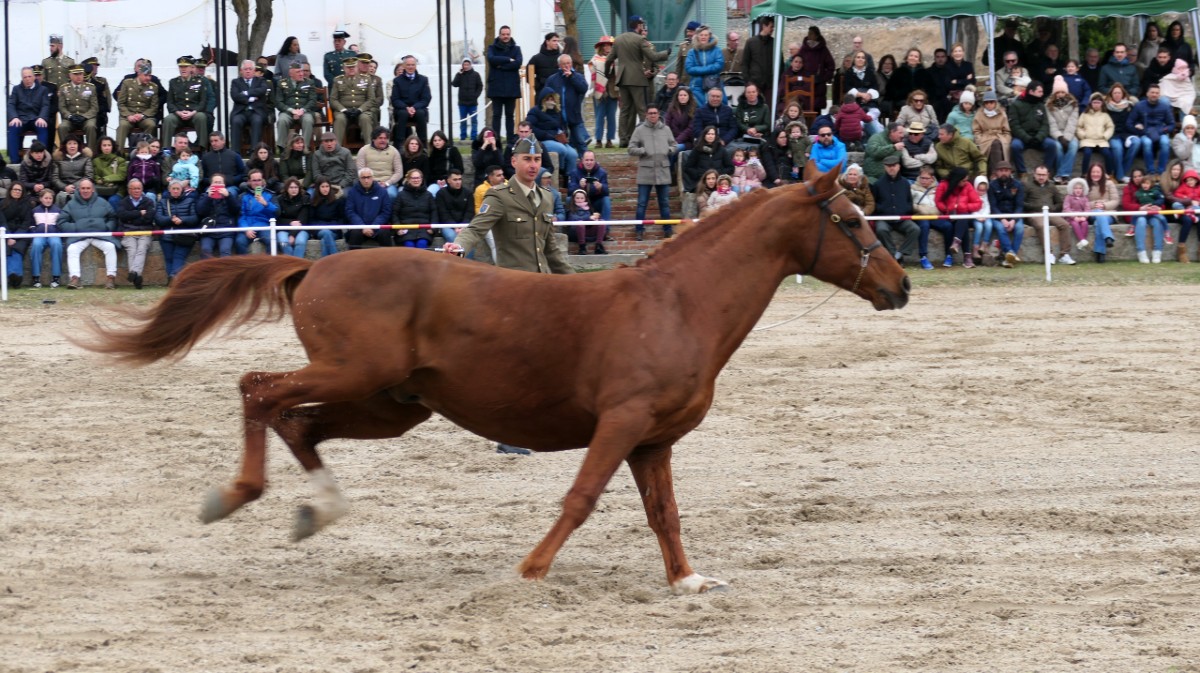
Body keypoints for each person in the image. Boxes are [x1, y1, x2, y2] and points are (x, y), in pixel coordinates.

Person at [613, 15, 670, 147]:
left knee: (625, 111)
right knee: (642, 109)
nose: (643, 30)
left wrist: (606, 73)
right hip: (638, 79)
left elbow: (611, 59)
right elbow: (653, 56)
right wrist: (666, 53)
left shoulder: (619, 39)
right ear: (638, 26)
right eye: (642, 27)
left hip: (624, 79)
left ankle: (624, 140)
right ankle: (646, 139)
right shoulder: (640, 40)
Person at [629, 105, 676, 241]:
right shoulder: (639, 130)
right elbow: (631, 148)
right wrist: (642, 151)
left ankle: (667, 230)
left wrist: (670, 150)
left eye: (655, 113)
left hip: (663, 170)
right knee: (642, 203)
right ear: (646, 115)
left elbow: (674, 145)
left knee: (665, 203)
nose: (653, 115)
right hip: (646, 170)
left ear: (658, 114)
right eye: (650, 113)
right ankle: (639, 230)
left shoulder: (666, 129)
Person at [58, 179, 116, 288]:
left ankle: (110, 278)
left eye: (88, 188)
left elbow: (113, 217)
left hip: (99, 235)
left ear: (93, 190)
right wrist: (76, 228)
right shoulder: (71, 204)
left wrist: (106, 227)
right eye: (83, 188)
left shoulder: (103, 202)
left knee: (110, 247)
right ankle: (75, 279)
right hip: (80, 236)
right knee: (72, 249)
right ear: (79, 190)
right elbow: (61, 222)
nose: (85, 190)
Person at [871, 154, 918, 265]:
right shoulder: (878, 184)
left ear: (899, 166)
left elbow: (909, 201)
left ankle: (900, 254)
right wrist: (882, 210)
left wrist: (905, 210)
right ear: (884, 167)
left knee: (915, 229)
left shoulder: (905, 183)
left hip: (902, 218)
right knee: (881, 230)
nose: (891, 168)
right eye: (888, 166)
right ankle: (894, 255)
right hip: (884, 218)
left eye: (894, 165)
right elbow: (874, 203)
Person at [1024, 164, 1075, 264]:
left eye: (1043, 175)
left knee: (1064, 225)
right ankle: (1049, 254)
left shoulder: (1052, 187)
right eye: (1039, 174)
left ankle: (1064, 254)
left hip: (1050, 213)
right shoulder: (1027, 186)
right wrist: (1035, 206)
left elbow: (1060, 203)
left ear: (1048, 175)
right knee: (1041, 226)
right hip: (1034, 213)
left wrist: (1052, 208)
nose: (1041, 177)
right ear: (1034, 175)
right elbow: (1021, 202)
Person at [543, 54, 590, 156]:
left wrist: (572, 77)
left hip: (574, 115)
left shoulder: (577, 76)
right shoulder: (553, 79)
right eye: (563, 64)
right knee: (564, 142)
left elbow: (583, 88)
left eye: (568, 63)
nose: (566, 66)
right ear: (559, 65)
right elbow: (546, 94)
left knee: (581, 142)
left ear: (571, 63)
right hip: (559, 117)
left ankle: (587, 164)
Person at [932, 166, 979, 268]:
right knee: (964, 225)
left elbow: (978, 203)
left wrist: (962, 207)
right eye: (963, 180)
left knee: (964, 218)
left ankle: (956, 243)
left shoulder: (968, 186)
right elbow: (938, 201)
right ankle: (967, 257)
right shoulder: (943, 185)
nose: (965, 182)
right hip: (949, 215)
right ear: (957, 179)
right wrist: (947, 210)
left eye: (966, 180)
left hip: (964, 215)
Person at [1009, 81, 1057, 178]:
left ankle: (1046, 172)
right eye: (1039, 92)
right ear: (1031, 91)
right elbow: (1014, 125)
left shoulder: (1041, 105)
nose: (1042, 94)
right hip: (1022, 137)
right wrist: (1027, 138)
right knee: (1015, 146)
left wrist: (1038, 137)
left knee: (1052, 144)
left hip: (1038, 137)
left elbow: (1045, 124)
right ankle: (1022, 173)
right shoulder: (1016, 105)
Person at [113, 178, 155, 287]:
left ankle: (133, 273)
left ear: (142, 189)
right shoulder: (123, 202)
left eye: (139, 188)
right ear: (129, 190)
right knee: (132, 250)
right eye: (134, 188)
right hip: (128, 232)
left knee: (141, 249)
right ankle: (137, 277)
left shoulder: (149, 202)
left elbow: (149, 218)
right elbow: (122, 216)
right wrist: (139, 213)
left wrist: (131, 216)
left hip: (144, 231)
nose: (136, 191)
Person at [161, 57, 209, 151]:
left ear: (191, 68)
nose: (183, 69)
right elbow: (170, 102)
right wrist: (178, 112)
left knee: (202, 117)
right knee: (168, 120)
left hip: (194, 114)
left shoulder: (199, 81)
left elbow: (203, 102)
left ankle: (203, 149)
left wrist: (193, 112)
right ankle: (166, 150)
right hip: (178, 114)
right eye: (181, 67)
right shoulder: (173, 82)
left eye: (186, 67)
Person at [330, 57, 378, 148]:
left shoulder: (366, 79)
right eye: (348, 67)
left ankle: (370, 148)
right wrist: (343, 110)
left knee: (365, 118)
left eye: (353, 67)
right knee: (339, 119)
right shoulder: (338, 80)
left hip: (362, 111)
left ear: (357, 67)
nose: (351, 69)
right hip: (344, 111)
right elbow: (333, 100)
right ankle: (336, 149)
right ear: (344, 68)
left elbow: (371, 99)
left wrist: (360, 110)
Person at [272, 61, 320, 153]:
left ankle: (304, 147)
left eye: (302, 71)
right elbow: (279, 102)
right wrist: (291, 110)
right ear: (291, 73)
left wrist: (302, 110)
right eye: (298, 72)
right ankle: (283, 148)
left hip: (305, 111)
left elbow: (312, 100)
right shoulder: (282, 83)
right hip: (288, 111)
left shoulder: (310, 82)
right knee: (282, 120)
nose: (301, 74)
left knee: (308, 120)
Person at [1128, 83, 1175, 176]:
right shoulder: (1139, 106)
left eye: (1157, 93)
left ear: (1159, 95)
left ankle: (1161, 172)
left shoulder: (1164, 106)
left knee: (1165, 143)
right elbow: (1129, 123)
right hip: (1145, 132)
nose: (1154, 95)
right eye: (1152, 92)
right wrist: (1138, 128)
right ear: (1147, 93)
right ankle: (1151, 171)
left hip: (1160, 131)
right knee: (1147, 143)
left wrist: (1161, 131)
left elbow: (1172, 124)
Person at [526, 91, 577, 175]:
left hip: (557, 139)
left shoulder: (557, 112)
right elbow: (530, 127)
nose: (550, 101)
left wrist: (563, 134)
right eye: (548, 99)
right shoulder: (535, 111)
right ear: (543, 100)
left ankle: (569, 179)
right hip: (542, 140)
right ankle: (561, 170)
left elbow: (562, 126)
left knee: (573, 154)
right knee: (562, 150)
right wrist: (545, 135)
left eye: (552, 99)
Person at [486, 26, 523, 142]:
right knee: (496, 115)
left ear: (510, 34)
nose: (506, 36)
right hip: (496, 87)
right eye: (503, 34)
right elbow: (491, 59)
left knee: (509, 116)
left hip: (511, 88)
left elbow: (518, 63)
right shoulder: (491, 48)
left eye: (508, 34)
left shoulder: (516, 49)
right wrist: (508, 59)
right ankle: (495, 141)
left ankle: (510, 141)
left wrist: (500, 65)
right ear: (499, 35)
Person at [987, 162, 1025, 267]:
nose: (1004, 173)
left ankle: (1008, 258)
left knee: (1019, 228)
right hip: (997, 216)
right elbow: (993, 206)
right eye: (1001, 170)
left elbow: (1019, 206)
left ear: (1010, 172)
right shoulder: (992, 186)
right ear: (997, 172)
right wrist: (1002, 219)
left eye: (1006, 170)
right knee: (1000, 228)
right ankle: (1011, 253)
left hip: (1014, 215)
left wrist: (1013, 220)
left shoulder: (1018, 185)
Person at [343, 167, 391, 249]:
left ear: (372, 178)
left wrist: (373, 227)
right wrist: (362, 226)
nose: (366, 180)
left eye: (368, 177)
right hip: (359, 227)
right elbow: (350, 211)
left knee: (385, 233)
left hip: (377, 227)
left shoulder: (382, 192)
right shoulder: (352, 192)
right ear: (359, 179)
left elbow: (385, 212)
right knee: (354, 234)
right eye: (363, 178)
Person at [7, 67, 51, 155]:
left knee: (42, 127)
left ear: (34, 77)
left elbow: (45, 105)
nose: (27, 79)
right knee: (13, 128)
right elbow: (11, 104)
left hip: (36, 118)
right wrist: (14, 117)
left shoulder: (43, 90)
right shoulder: (16, 89)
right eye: (25, 77)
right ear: (22, 78)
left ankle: (41, 157)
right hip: (21, 119)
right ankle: (14, 162)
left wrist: (42, 117)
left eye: (29, 76)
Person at [229, 60, 270, 155]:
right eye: (245, 69)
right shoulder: (235, 82)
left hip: (256, 111)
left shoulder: (261, 81)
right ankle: (235, 152)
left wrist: (246, 93)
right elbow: (235, 96)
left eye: (250, 69)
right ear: (241, 71)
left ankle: (254, 151)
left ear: (254, 70)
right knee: (236, 121)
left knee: (257, 121)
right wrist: (250, 99)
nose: (248, 71)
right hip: (241, 112)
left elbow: (262, 90)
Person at [194, 173, 238, 259]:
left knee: (225, 251)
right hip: (208, 231)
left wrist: (228, 197)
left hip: (226, 231)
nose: (218, 184)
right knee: (205, 250)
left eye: (220, 182)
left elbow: (236, 210)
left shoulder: (230, 196)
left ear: (224, 185)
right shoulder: (204, 196)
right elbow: (200, 211)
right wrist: (208, 198)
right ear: (211, 185)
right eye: (215, 182)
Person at [1046, 76, 1080, 183]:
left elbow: (1073, 121)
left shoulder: (1073, 104)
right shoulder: (1048, 105)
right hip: (1056, 134)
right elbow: (1051, 123)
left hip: (1069, 133)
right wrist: (1060, 137)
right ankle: (1061, 175)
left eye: (1062, 92)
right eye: (1058, 92)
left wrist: (1067, 137)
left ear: (1066, 93)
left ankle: (1063, 174)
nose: (1060, 94)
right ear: (1054, 93)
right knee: (1058, 147)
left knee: (1074, 146)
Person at [391, 55, 431, 145]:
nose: (410, 67)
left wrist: (414, 107)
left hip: (418, 108)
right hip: (402, 109)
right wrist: (406, 108)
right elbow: (395, 99)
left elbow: (426, 99)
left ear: (416, 65)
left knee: (420, 113)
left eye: (412, 65)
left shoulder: (423, 79)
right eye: (408, 65)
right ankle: (399, 145)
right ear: (404, 66)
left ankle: (423, 145)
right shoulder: (397, 80)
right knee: (402, 114)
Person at [57, 64, 99, 151]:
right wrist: (70, 116)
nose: (79, 76)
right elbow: (62, 107)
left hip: (86, 118)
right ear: (70, 75)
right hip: (70, 118)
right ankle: (66, 152)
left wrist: (84, 117)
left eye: (80, 74)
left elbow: (94, 107)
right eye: (76, 74)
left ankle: (90, 153)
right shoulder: (64, 88)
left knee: (91, 126)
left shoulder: (90, 87)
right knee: (62, 127)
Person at [391, 168, 436, 248]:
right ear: (408, 179)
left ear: (422, 179)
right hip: (406, 229)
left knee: (422, 244)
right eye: (413, 178)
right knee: (409, 245)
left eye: (418, 178)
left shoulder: (428, 195)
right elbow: (394, 214)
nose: (416, 180)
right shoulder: (401, 195)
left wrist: (433, 228)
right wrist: (398, 229)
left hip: (424, 230)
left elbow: (434, 213)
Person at [355, 126, 403, 198]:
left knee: (391, 195)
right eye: (380, 138)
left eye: (385, 138)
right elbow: (360, 170)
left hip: (388, 184)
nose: (383, 140)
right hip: (368, 183)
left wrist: (387, 183)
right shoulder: (364, 150)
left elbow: (399, 172)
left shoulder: (394, 151)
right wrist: (372, 183)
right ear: (374, 139)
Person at [1105, 83, 1139, 183]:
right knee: (1117, 148)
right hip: (1113, 134)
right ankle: (1120, 176)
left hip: (1126, 133)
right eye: (1115, 93)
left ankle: (1121, 172)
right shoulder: (1106, 107)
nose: (1117, 95)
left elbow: (1134, 119)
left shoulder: (1129, 106)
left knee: (1137, 142)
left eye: (1119, 93)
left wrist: (1137, 125)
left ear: (1123, 94)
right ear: (1111, 94)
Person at [1131, 172, 1168, 263]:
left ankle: (1157, 251)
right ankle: (1141, 252)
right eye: (1143, 183)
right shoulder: (1137, 193)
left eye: (1147, 183)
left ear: (1151, 184)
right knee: (1140, 220)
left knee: (1157, 222)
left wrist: (1156, 206)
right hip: (1142, 214)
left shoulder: (1156, 191)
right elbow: (1129, 204)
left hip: (1153, 214)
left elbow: (1161, 201)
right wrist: (1140, 208)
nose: (1145, 185)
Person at [27, 186, 61, 287]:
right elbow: (31, 225)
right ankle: (36, 278)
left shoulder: (58, 210)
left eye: (50, 198)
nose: (48, 200)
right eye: (46, 198)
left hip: (53, 235)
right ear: (41, 199)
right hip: (39, 235)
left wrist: (55, 230)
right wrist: (35, 232)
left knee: (57, 245)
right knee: (36, 245)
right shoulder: (35, 211)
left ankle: (56, 277)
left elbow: (60, 225)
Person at [589, 36, 617, 149]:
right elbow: (593, 74)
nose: (607, 47)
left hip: (613, 92)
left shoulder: (617, 59)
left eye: (609, 45)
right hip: (599, 92)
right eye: (605, 45)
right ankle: (598, 140)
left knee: (611, 117)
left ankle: (609, 140)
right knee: (599, 117)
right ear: (601, 47)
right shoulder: (595, 59)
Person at [2, 183, 33, 288]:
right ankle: (13, 276)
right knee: (7, 249)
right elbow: (2, 222)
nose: (17, 192)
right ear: (10, 190)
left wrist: (15, 237)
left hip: (22, 235)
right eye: (15, 189)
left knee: (17, 249)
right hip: (5, 233)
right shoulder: (2, 204)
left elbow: (26, 223)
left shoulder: (27, 205)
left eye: (19, 190)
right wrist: (9, 236)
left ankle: (15, 276)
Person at [1077, 93, 1115, 176]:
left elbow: (1110, 127)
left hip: (1101, 140)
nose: (1096, 104)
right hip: (1088, 140)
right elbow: (1078, 127)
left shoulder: (1105, 115)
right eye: (1094, 102)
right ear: (1091, 103)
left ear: (1102, 104)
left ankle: (1109, 174)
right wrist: (1083, 135)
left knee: (1107, 153)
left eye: (1098, 102)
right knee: (1087, 153)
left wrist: (1105, 136)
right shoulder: (1084, 114)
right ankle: (1084, 173)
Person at [799, 26, 835, 113]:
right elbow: (798, 62)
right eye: (808, 33)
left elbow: (831, 66)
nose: (809, 36)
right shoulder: (804, 49)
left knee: (816, 110)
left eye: (811, 34)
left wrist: (823, 77)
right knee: (804, 109)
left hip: (818, 85)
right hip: (805, 83)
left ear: (816, 36)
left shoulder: (823, 50)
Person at [568, 150, 611, 221]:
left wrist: (601, 187)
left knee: (606, 200)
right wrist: (580, 186)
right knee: (568, 199)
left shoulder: (602, 172)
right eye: (587, 160)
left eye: (591, 160)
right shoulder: (574, 172)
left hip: (595, 201)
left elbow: (607, 192)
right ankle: (571, 226)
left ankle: (605, 227)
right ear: (582, 160)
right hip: (579, 201)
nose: (589, 162)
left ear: (595, 161)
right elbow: (570, 191)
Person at [685, 25, 724, 104]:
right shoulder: (692, 52)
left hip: (713, 84)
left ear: (709, 36)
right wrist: (709, 69)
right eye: (701, 35)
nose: (703, 37)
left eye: (706, 35)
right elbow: (689, 68)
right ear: (697, 36)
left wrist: (700, 69)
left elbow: (719, 65)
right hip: (696, 86)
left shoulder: (717, 50)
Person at [273, 177, 310, 257]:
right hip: (284, 228)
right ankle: (291, 265)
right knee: (284, 242)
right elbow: (278, 219)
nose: (294, 190)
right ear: (286, 188)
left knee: (300, 242)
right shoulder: (279, 199)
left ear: (299, 188)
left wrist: (292, 235)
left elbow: (302, 220)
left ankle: (298, 266)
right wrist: (290, 222)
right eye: (291, 187)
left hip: (301, 229)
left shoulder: (305, 199)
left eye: (296, 187)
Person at [50, 137, 93, 208]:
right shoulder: (58, 160)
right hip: (62, 189)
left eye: (75, 143)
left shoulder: (86, 159)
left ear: (78, 146)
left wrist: (74, 187)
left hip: (81, 188)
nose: (72, 146)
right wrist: (65, 187)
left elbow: (88, 176)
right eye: (69, 144)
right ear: (65, 146)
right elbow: (55, 178)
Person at [306, 177, 344, 256]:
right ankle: (336, 260)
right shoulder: (313, 202)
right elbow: (311, 220)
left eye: (327, 186)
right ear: (318, 188)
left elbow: (342, 218)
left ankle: (324, 266)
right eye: (322, 187)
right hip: (319, 230)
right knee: (326, 233)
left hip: (334, 230)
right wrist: (322, 227)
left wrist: (332, 226)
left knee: (325, 239)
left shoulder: (337, 201)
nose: (325, 189)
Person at [887, 49, 931, 116]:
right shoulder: (898, 72)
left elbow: (929, 89)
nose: (913, 58)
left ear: (919, 60)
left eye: (916, 56)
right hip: (902, 100)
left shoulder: (925, 73)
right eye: (911, 56)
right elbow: (890, 88)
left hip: (920, 100)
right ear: (907, 58)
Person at [742, 16, 776, 99]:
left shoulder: (774, 43)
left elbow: (780, 63)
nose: (773, 29)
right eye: (771, 27)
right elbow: (745, 63)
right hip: (754, 84)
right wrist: (748, 82)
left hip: (770, 84)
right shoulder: (751, 42)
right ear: (764, 26)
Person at [434, 169, 471, 244]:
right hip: (447, 225)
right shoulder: (441, 194)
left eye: (460, 179)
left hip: (464, 224)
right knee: (452, 237)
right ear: (448, 180)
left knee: (468, 239)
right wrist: (455, 227)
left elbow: (469, 212)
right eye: (455, 180)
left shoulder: (468, 193)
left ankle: (465, 256)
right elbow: (443, 213)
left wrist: (462, 226)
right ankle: (458, 256)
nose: (458, 182)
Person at [451, 58, 483, 141]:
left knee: (474, 121)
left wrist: (475, 95)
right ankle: (463, 137)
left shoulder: (476, 75)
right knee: (463, 121)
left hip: (473, 103)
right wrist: (459, 74)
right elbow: (454, 84)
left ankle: (473, 137)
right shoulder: (460, 75)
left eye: (467, 64)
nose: (466, 66)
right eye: (464, 65)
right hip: (462, 103)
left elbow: (480, 86)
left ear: (470, 65)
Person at [92, 137, 128, 207]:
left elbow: (121, 176)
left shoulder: (120, 160)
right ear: (100, 147)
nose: (107, 147)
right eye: (104, 145)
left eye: (109, 145)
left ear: (112, 147)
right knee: (99, 201)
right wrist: (99, 180)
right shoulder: (95, 161)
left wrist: (103, 179)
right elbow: (94, 175)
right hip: (101, 190)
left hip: (117, 190)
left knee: (113, 200)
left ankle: (115, 218)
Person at [665, 87, 697, 152]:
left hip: (686, 141)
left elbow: (690, 129)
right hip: (671, 139)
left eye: (685, 95)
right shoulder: (671, 108)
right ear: (677, 96)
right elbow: (667, 124)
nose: (682, 97)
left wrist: (677, 141)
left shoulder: (694, 110)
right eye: (680, 95)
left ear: (689, 96)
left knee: (672, 149)